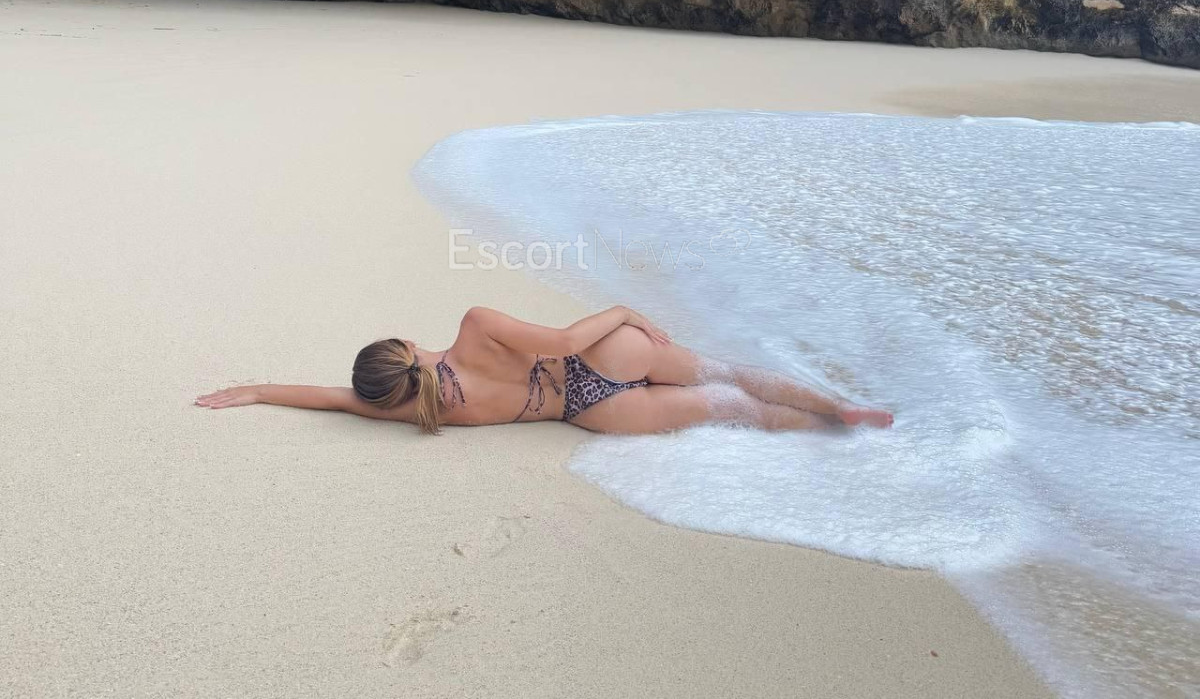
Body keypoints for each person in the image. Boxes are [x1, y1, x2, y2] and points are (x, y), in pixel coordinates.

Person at [195, 306, 894, 433]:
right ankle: (845, 407)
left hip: (592, 411)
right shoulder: (474, 327)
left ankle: (835, 432)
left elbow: (327, 397)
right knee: (731, 374)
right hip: (601, 358)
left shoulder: (415, 407)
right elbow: (565, 339)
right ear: (404, 341)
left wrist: (256, 393)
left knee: (736, 410)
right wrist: (622, 309)